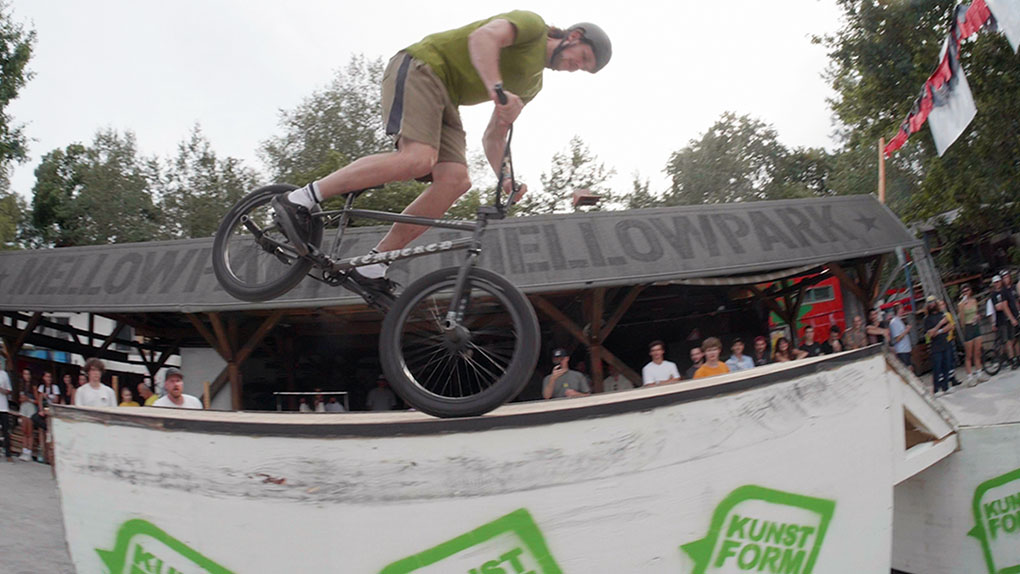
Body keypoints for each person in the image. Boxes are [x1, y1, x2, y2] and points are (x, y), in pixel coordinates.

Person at [270, 12, 611, 294]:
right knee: (419, 158)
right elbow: (483, 39)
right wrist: (497, 89)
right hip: (421, 65)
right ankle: (300, 198)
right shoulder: (533, 28)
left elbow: (494, 136)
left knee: (456, 181)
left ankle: (375, 264)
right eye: (580, 58)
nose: (574, 66)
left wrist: (506, 179)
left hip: (447, 99)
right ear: (573, 35)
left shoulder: (533, 85)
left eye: (582, 68)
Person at [958, 283, 987, 386]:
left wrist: (977, 317)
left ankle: (979, 373)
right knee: (969, 354)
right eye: (964, 291)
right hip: (968, 327)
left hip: (975, 326)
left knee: (977, 352)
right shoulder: (961, 304)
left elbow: (976, 312)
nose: (966, 293)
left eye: (967, 290)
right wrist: (963, 307)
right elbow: (961, 320)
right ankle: (970, 377)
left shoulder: (974, 301)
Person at [923, 296, 952, 396]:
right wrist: (940, 325)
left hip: (945, 343)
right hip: (935, 347)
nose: (931, 304)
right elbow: (930, 334)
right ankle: (936, 390)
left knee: (946, 367)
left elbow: (950, 326)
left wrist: (938, 331)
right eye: (929, 303)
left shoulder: (941, 314)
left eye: (932, 302)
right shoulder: (927, 319)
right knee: (937, 368)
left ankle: (946, 387)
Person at [990, 274, 1018, 370]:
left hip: (1012, 316)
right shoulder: (994, 295)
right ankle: (1011, 359)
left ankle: (1015, 357)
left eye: (998, 281)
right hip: (1002, 320)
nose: (997, 284)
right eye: (995, 282)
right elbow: (998, 307)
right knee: (1007, 341)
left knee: (1014, 338)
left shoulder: (1006, 291)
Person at [17, 368, 37, 461]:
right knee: (24, 431)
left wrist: (28, 399)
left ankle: (29, 452)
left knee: (30, 431)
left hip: (30, 407)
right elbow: (19, 399)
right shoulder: (22, 386)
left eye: (28, 374)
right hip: (23, 407)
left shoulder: (33, 387)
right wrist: (22, 399)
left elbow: (37, 400)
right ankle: (24, 451)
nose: (26, 376)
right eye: (25, 374)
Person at [1001, 271, 1020, 369]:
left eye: (1007, 277)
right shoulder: (1003, 291)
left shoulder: (1013, 288)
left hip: (1017, 315)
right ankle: (1012, 359)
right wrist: (1012, 318)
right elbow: (1004, 306)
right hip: (1009, 318)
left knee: (1017, 338)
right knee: (1010, 340)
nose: (1006, 279)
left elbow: (1017, 301)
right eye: (1004, 277)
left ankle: (1018, 357)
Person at [888, 303, 914, 371]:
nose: (903, 310)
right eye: (901, 308)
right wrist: (906, 330)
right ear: (898, 310)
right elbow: (897, 338)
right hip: (902, 350)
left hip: (906, 349)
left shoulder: (899, 320)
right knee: (907, 370)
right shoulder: (894, 322)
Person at [0, 360, 12, 462]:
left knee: (5, 431)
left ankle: (8, 453)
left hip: (3, 407)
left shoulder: (4, 374)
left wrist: (1, 390)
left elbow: (9, 390)